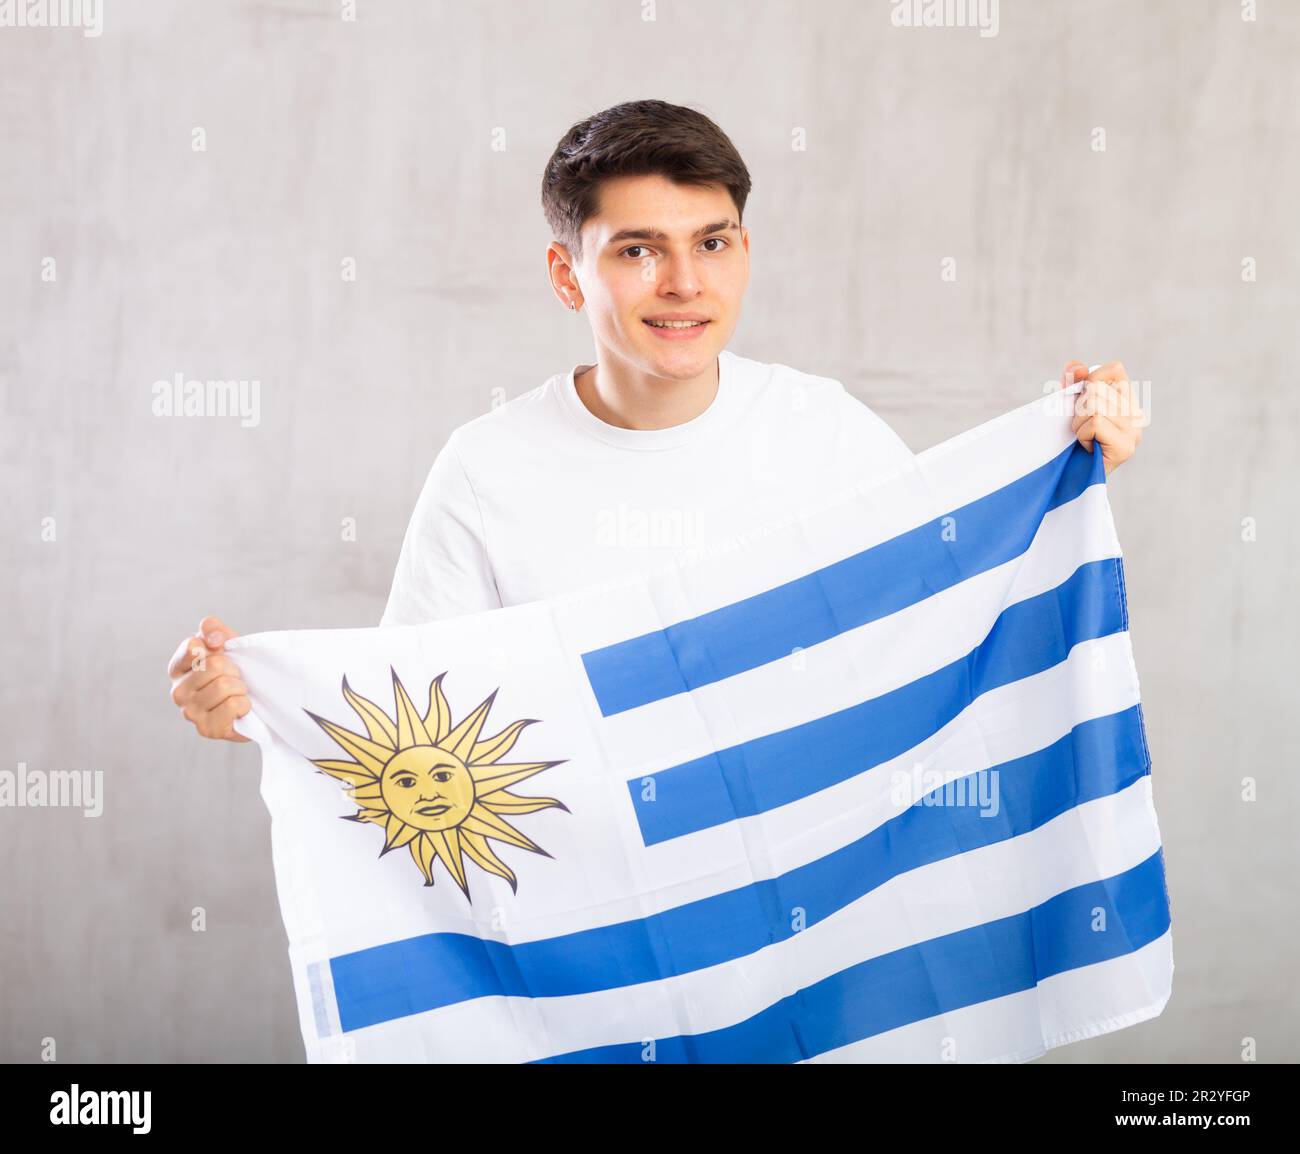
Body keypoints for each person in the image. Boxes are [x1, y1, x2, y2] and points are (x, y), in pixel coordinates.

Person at [168, 98, 1144, 743]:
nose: (684, 282)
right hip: (597, 944)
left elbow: (955, 616)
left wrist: (1074, 459)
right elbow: (417, 724)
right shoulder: (487, 468)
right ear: (567, 273)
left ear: (744, 251)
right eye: (637, 250)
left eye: (710, 242)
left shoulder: (825, 432)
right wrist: (257, 708)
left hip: (805, 937)